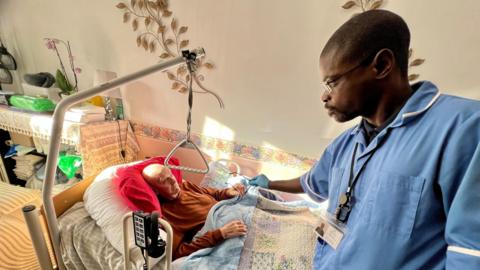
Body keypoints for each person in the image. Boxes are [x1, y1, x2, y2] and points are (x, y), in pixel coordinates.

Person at [249, 9, 480, 270]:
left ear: (381, 65)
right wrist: (270, 182)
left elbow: (470, 254)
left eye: (332, 82)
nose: (324, 97)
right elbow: (312, 182)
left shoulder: (463, 129)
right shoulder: (345, 144)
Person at [142, 163, 247, 260]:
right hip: (224, 227)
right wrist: (220, 234)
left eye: (171, 175)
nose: (173, 181)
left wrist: (228, 192)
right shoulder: (167, 214)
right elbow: (177, 253)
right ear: (155, 191)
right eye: (164, 181)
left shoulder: (185, 186)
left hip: (232, 211)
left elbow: (214, 193)